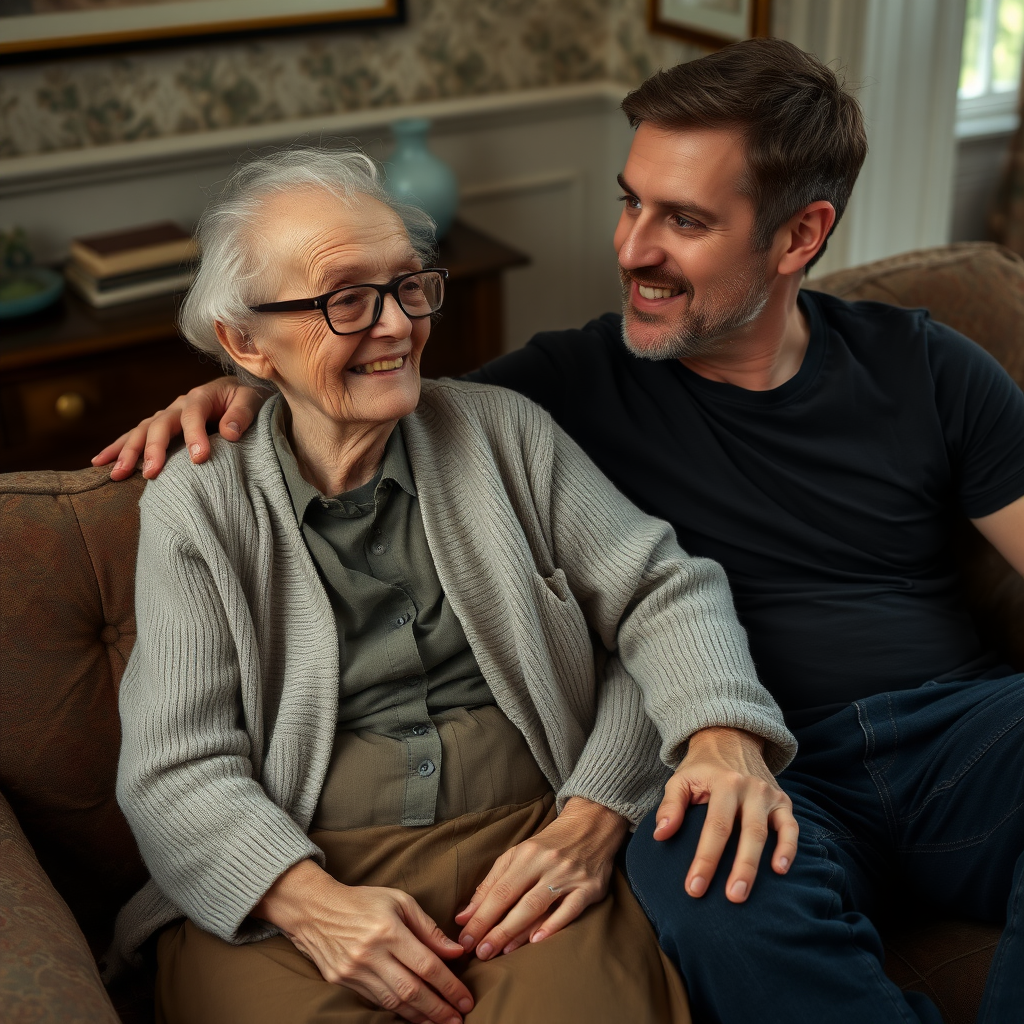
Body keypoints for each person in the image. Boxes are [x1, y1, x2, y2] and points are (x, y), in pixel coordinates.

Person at [100, 38, 1024, 1024]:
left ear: (799, 236)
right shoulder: (551, 393)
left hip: (953, 732)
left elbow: (655, 584)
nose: (629, 249)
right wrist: (244, 387)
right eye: (629, 201)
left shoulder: (926, 364)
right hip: (739, 776)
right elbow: (365, 388)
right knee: (708, 894)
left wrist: (711, 735)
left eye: (682, 220)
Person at [110, 144, 797, 1024]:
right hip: (295, 867)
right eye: (346, 300)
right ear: (246, 342)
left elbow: (661, 595)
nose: (396, 325)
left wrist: (597, 814)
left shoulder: (503, 433)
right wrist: (307, 903)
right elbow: (175, 767)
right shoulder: (200, 503)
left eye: (408, 286)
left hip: (525, 842)